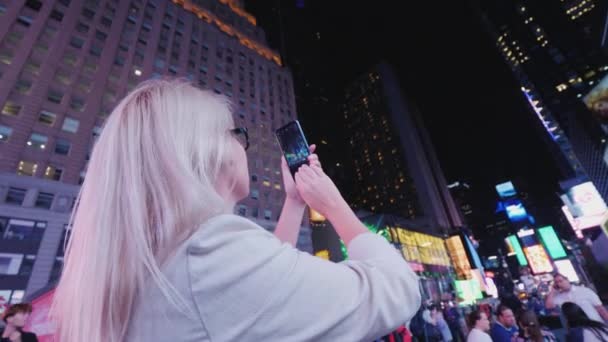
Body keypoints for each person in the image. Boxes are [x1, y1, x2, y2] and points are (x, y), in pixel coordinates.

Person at [49, 78, 421, 342]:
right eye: (233, 134)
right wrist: (333, 203)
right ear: (199, 152)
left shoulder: (160, 258)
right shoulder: (207, 252)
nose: (241, 146)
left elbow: (258, 295)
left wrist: (294, 203)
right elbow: (396, 290)